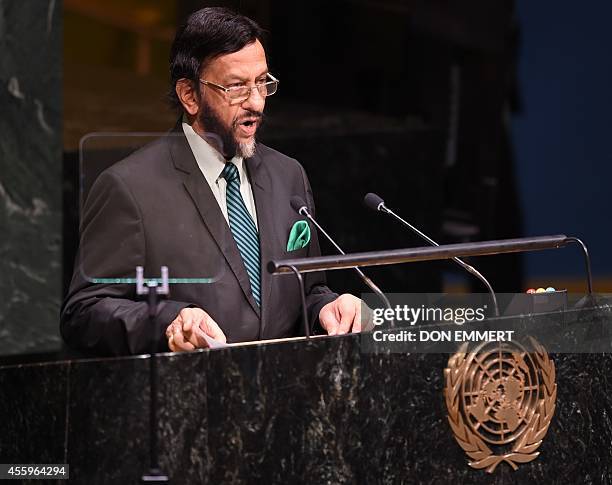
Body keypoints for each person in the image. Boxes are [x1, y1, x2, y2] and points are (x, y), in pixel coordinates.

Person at [60, 7, 364, 356]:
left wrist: (326, 308)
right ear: (190, 95)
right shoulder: (129, 188)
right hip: (189, 399)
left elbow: (306, 293)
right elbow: (83, 312)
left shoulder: (288, 175)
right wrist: (167, 322)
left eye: (262, 83)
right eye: (236, 87)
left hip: (282, 398)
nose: (256, 103)